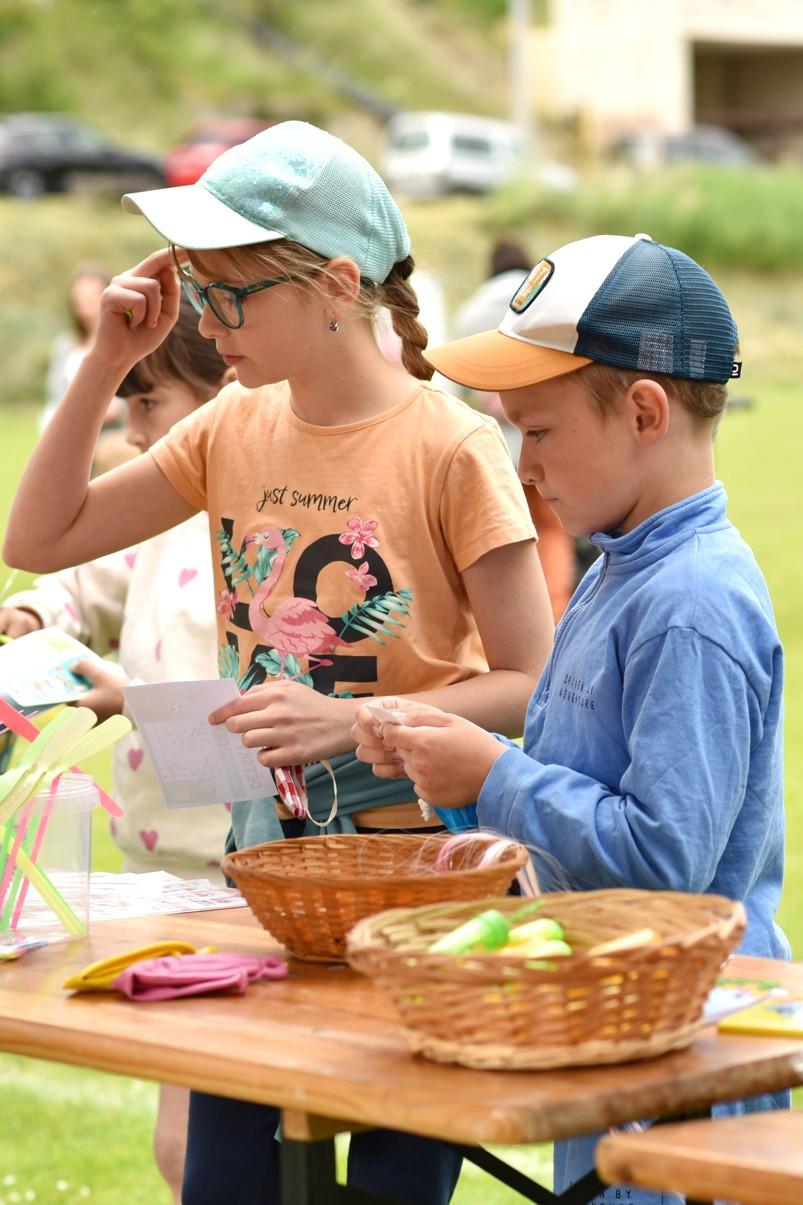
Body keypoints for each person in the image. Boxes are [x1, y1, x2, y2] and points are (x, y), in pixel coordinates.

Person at [4, 120, 554, 1205]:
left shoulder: (450, 447)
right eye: (200, 294)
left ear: (336, 285)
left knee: (390, 1191)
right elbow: (39, 535)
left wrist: (354, 723)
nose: (207, 325)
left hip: (417, 890)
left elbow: (532, 685)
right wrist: (106, 361)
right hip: (259, 879)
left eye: (232, 297)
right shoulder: (231, 426)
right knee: (222, 1185)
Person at [353, 232, 789, 1205]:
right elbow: (577, 790)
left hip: (689, 1056)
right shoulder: (619, 567)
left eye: (539, 431)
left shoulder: (690, 602)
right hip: (616, 1019)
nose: (522, 464)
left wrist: (494, 773)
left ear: (643, 412)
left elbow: (665, 860)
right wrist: (455, 776)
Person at [0, 298, 231, 1204]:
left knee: (207, 1143)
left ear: (228, 389)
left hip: (246, 871)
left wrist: (128, 701)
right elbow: (80, 580)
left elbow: (261, 728)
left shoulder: (259, 530)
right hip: (166, 872)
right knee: (188, 1145)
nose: (132, 433)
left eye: (149, 403)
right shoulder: (159, 513)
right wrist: (35, 613)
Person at [453, 238, 576, 620]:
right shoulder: (545, 302)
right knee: (551, 530)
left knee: (500, 541)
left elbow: (454, 392)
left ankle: (507, 624)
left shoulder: (470, 313)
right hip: (544, 443)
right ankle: (555, 614)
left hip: (491, 452)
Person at [41, 264, 137, 475]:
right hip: (69, 430)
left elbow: (137, 389)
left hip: (113, 430)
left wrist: (113, 408)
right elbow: (55, 393)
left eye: (90, 296)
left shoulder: (125, 340)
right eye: (80, 297)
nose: (84, 302)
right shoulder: (65, 345)